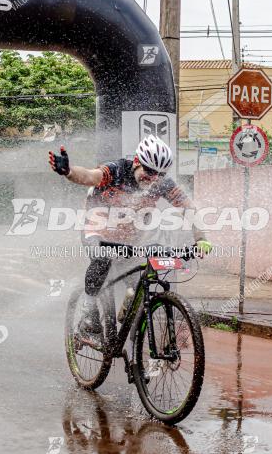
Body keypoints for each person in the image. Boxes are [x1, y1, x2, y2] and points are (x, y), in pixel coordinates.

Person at [48, 136, 212, 337]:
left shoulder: (161, 183)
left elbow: (188, 208)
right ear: (137, 162)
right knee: (102, 258)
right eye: (150, 171)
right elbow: (90, 176)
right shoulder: (116, 171)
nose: (153, 179)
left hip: (129, 238)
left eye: (160, 174)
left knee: (140, 282)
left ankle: (129, 323)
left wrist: (201, 238)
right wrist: (69, 171)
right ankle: (88, 308)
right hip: (96, 230)